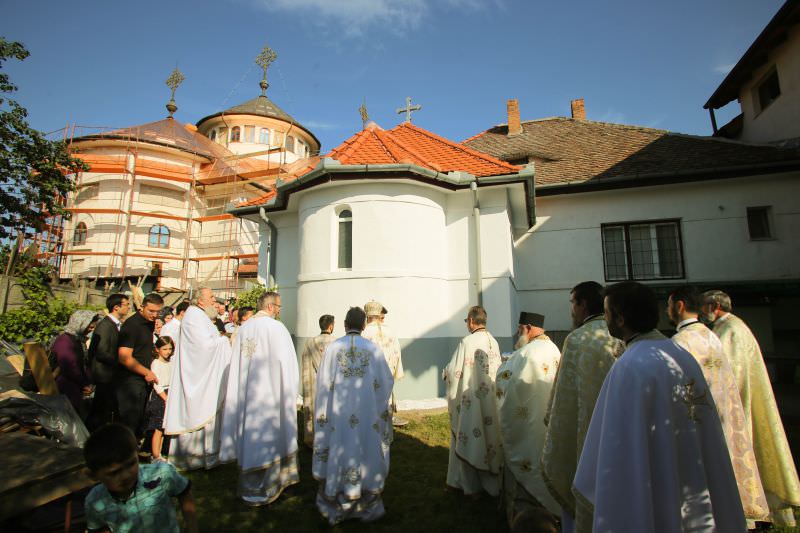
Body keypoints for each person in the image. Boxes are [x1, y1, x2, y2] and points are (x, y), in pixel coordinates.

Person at [574, 281, 745, 532]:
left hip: (653, 476)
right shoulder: (678, 353)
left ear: (620, 318)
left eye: (608, 312)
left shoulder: (629, 365)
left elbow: (616, 444)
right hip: (692, 472)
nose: (606, 319)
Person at [668, 286, 769, 522]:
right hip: (720, 412)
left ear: (679, 306)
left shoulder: (679, 342)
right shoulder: (712, 336)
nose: (667, 310)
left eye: (669, 305)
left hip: (693, 419)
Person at [703, 289, 800, 525]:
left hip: (737, 404)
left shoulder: (731, 331)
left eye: (706, 306)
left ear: (715, 305)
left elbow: (725, 372)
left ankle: (748, 513)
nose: (703, 311)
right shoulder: (733, 327)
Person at [541, 281, 623, 533]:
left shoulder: (577, 339)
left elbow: (562, 399)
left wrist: (550, 416)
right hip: (621, 430)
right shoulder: (620, 334)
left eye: (572, 303)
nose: (572, 310)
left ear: (583, 304)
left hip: (587, 435)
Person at [312, 306, 394, 525]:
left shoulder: (333, 348)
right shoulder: (373, 349)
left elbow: (322, 385)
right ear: (364, 325)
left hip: (338, 416)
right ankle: (366, 503)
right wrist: (375, 406)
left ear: (345, 325)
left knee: (340, 448)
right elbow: (386, 381)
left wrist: (323, 410)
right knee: (366, 450)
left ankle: (338, 499)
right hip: (367, 416)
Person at [220, 291, 300, 506]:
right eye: (280, 307)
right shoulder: (276, 328)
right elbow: (288, 364)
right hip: (270, 396)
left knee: (251, 435)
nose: (280, 311)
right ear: (272, 307)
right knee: (271, 436)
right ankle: (271, 485)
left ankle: (249, 486)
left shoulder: (244, 329)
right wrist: (289, 390)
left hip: (248, 395)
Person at [496, 312, 562, 525]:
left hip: (526, 427)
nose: (518, 334)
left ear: (528, 328)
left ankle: (524, 521)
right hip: (548, 423)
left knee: (525, 468)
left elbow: (506, 382)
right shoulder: (554, 348)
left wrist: (501, 370)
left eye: (520, 329)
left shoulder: (526, 353)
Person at [83, 423, 197, 533]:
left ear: (137, 454)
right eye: (114, 473)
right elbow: (101, 528)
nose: (126, 475)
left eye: (131, 464)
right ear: (94, 475)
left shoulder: (161, 474)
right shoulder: (95, 501)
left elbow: (184, 493)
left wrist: (192, 528)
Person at [164, 287, 232, 470]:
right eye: (211, 297)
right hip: (197, 376)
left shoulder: (201, 316)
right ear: (200, 301)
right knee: (199, 410)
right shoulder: (194, 317)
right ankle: (194, 457)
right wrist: (225, 341)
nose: (214, 301)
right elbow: (203, 348)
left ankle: (208, 455)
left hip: (203, 374)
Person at [443, 305, 503, 497]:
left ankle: (470, 486)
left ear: (470, 321)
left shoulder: (467, 342)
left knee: (469, 436)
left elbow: (454, 372)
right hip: (491, 402)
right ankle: (491, 485)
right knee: (490, 439)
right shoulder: (493, 341)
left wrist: (446, 373)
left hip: (472, 404)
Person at [116, 292, 163, 438]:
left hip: (142, 380)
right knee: (129, 421)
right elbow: (124, 357)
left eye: (158, 312)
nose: (154, 315)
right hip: (130, 381)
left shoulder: (149, 324)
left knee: (138, 421)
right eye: (151, 311)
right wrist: (146, 372)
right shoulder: (131, 325)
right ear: (142, 307)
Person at [86, 293, 130, 431]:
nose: (129, 307)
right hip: (104, 376)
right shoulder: (106, 325)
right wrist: (121, 361)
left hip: (109, 376)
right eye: (126, 304)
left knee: (105, 409)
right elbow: (101, 352)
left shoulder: (115, 325)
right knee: (100, 410)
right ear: (116, 307)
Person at [362, 301, 405, 425]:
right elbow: (397, 353)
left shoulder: (364, 332)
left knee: (370, 410)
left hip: (369, 379)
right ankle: (385, 440)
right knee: (385, 408)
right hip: (387, 376)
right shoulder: (390, 331)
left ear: (368, 316)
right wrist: (394, 372)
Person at [51, 309, 99, 417]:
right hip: (66, 388)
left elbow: (83, 364)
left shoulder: (77, 340)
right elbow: (70, 366)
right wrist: (84, 384)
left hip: (75, 387)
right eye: (90, 327)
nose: (90, 331)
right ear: (80, 324)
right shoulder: (65, 341)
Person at [301, 314, 335, 447]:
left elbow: (305, 366)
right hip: (332, 385)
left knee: (315, 409)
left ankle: (313, 439)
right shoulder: (337, 343)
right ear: (331, 326)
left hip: (315, 384)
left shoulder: (310, 343)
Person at [146, 336, 175, 463]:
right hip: (160, 396)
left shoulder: (171, 362)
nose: (168, 351)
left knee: (165, 427)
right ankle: (156, 455)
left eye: (170, 349)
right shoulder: (156, 364)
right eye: (165, 349)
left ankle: (162, 452)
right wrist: (165, 398)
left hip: (170, 393)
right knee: (158, 428)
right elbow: (157, 385)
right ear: (158, 349)